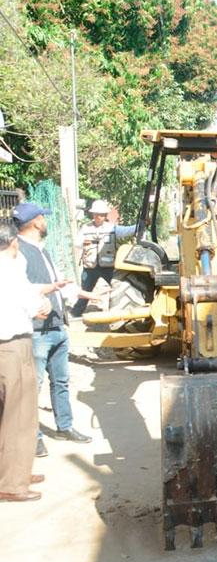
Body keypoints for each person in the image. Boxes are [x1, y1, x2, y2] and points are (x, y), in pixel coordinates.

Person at [15, 203, 96, 457]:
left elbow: (59, 284)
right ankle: (33, 437)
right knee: (32, 387)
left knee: (60, 381)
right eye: (43, 218)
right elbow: (18, 289)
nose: (46, 222)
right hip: (37, 330)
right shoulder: (17, 252)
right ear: (37, 222)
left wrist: (88, 295)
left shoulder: (42, 250)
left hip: (56, 326)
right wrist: (43, 295)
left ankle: (65, 426)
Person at [0, 223, 49, 502]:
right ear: (14, 243)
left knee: (6, 414)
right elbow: (35, 307)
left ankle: (14, 471)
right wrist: (44, 304)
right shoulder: (10, 268)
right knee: (19, 415)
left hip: (6, 347)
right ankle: (12, 483)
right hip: (13, 346)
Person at [71, 199, 136, 317]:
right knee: (85, 292)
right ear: (92, 214)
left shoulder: (113, 228)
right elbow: (77, 243)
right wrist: (84, 244)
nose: (98, 217)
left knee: (117, 288)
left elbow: (127, 231)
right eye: (96, 214)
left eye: (101, 214)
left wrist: (139, 226)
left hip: (108, 267)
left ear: (105, 215)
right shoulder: (85, 228)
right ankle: (76, 312)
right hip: (90, 267)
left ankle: (118, 311)